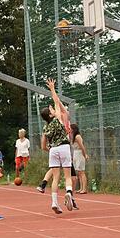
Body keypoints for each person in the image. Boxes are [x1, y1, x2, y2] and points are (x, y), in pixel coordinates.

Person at [39, 78, 75, 214]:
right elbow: (56, 101)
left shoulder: (46, 125)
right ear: (51, 114)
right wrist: (52, 89)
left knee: (55, 177)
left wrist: (47, 149)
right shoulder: (59, 118)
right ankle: (69, 193)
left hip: (53, 149)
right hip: (64, 147)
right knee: (67, 176)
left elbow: (43, 144)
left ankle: (54, 202)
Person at [71, 124, 89, 194]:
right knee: (79, 172)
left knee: (82, 172)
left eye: (71, 128)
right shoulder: (73, 136)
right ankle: (81, 188)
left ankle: (84, 188)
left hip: (80, 153)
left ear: (73, 129)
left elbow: (82, 146)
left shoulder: (78, 136)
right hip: (76, 153)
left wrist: (85, 155)